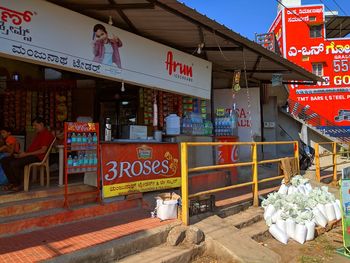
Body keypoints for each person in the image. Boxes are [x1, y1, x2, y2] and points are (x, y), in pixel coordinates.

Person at [0, 117, 54, 191]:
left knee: (14, 163)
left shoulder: (46, 134)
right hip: (30, 155)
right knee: (4, 160)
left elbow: (42, 150)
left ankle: (20, 184)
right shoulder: (39, 134)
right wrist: (21, 153)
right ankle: (13, 182)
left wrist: (25, 154)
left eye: (35, 125)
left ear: (41, 124)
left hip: (37, 156)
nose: (34, 127)